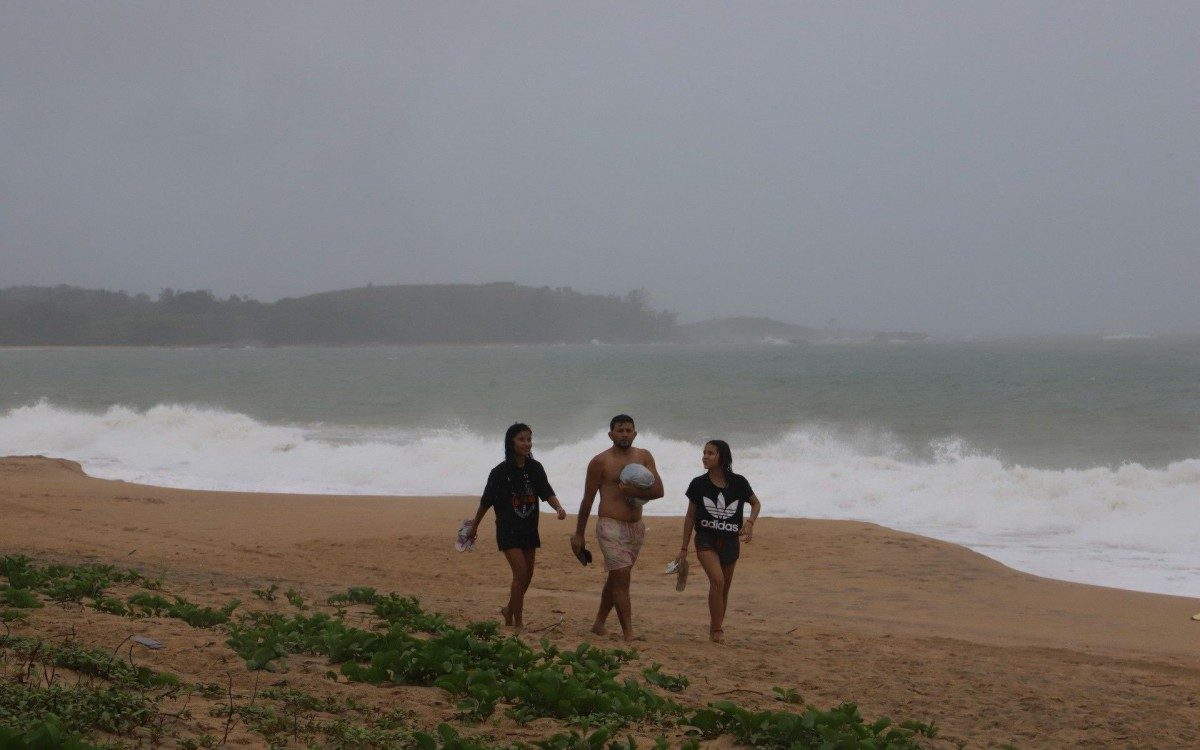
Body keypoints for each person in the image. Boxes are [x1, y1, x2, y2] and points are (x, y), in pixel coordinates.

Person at [465, 423, 566, 630]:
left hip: (529, 529)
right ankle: (518, 623)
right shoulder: (499, 472)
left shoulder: (535, 468)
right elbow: (486, 502)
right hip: (507, 529)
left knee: (527, 576)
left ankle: (509, 609)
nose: (526, 443)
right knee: (520, 574)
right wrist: (474, 527)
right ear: (511, 442)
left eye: (529, 439)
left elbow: (546, 491)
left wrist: (559, 508)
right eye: (521, 439)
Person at [572, 414, 664, 641]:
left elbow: (658, 491)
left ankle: (599, 623)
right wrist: (579, 534)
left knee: (616, 578)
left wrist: (633, 490)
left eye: (628, 430)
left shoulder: (644, 456)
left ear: (635, 433)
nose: (624, 434)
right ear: (610, 434)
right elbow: (587, 500)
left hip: (636, 527)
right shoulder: (600, 461)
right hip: (609, 526)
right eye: (620, 430)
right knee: (622, 577)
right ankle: (629, 634)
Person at [674, 439, 761, 643]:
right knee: (717, 581)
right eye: (704, 453)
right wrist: (684, 547)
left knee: (724, 588)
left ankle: (717, 625)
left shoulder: (739, 482)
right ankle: (716, 630)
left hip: (731, 541)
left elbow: (756, 504)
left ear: (722, 457)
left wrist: (750, 523)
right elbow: (690, 516)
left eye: (710, 453)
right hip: (706, 540)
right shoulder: (698, 484)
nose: (705, 457)